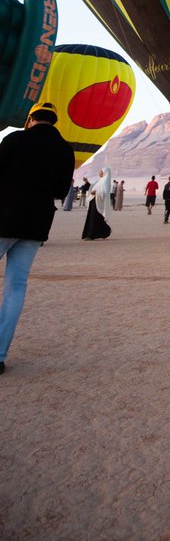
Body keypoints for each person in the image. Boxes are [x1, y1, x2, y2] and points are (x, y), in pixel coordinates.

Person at [0, 102, 74, 374]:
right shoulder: (65, 149)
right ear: (54, 121)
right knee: (16, 287)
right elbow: (60, 191)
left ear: (30, 118)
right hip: (36, 224)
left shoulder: (14, 138)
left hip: (3, 217)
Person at [82, 168, 113, 240]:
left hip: (99, 203)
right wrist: (87, 182)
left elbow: (105, 192)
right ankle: (106, 231)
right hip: (93, 201)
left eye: (101, 172)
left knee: (95, 218)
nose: (99, 173)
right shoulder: (99, 181)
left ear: (104, 173)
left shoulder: (105, 182)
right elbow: (91, 187)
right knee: (93, 218)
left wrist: (96, 192)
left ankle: (91, 236)